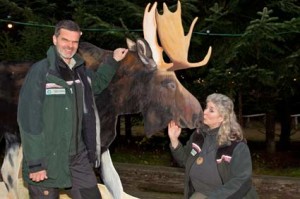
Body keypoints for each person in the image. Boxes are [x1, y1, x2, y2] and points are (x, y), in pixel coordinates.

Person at [17, 20, 128, 199]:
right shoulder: (41, 72)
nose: (70, 46)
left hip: (77, 158)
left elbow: (97, 84)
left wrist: (113, 60)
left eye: (74, 41)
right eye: (65, 40)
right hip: (47, 158)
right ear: (55, 39)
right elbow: (29, 120)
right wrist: (36, 163)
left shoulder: (79, 72)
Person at [168, 93, 258, 199]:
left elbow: (242, 181)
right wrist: (174, 140)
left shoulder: (236, 146)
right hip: (203, 194)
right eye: (206, 107)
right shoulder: (198, 136)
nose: (204, 112)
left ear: (222, 117)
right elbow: (185, 161)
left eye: (211, 110)